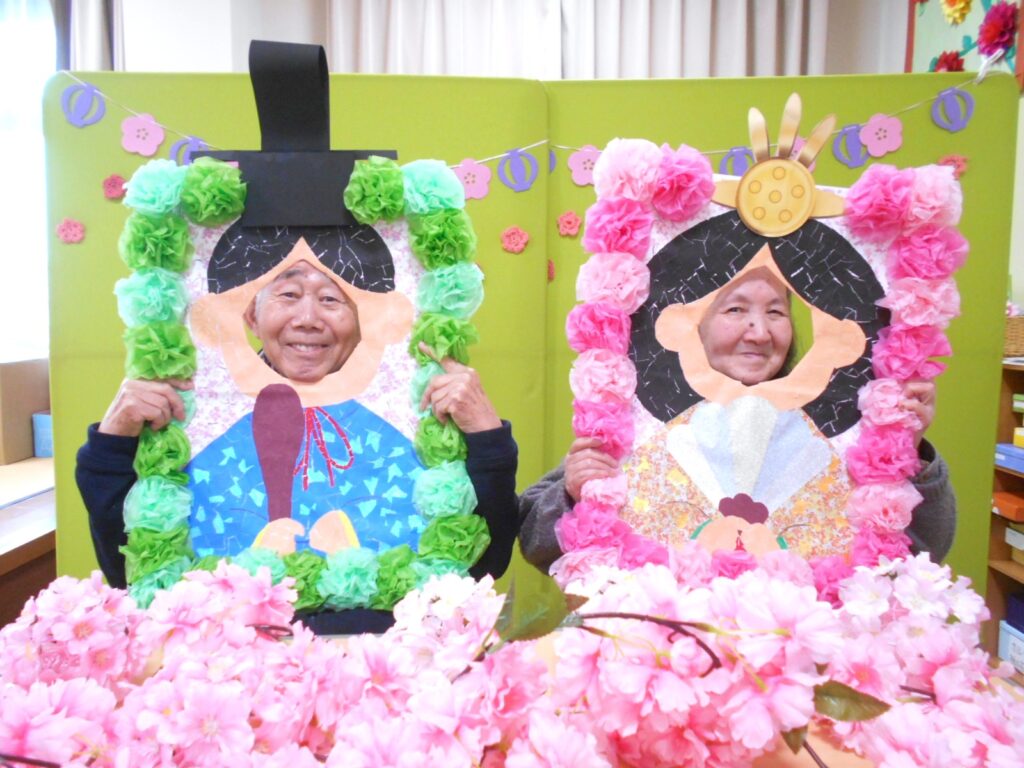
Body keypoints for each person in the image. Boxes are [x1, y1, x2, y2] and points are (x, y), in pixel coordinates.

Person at [78, 223, 519, 634]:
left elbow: (484, 565)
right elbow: (126, 571)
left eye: (332, 299)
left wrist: (486, 436)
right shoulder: (203, 430)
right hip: (230, 657)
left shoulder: (406, 425)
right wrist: (114, 440)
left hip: (381, 654)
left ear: (364, 318)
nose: (308, 318)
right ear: (251, 315)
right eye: (288, 294)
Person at [519, 213, 955, 572]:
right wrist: (574, 493)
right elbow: (536, 543)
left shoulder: (836, 437)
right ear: (691, 324)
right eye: (735, 309)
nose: (759, 332)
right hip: (663, 643)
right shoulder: (640, 423)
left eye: (776, 312)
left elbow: (925, 552)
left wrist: (908, 454)